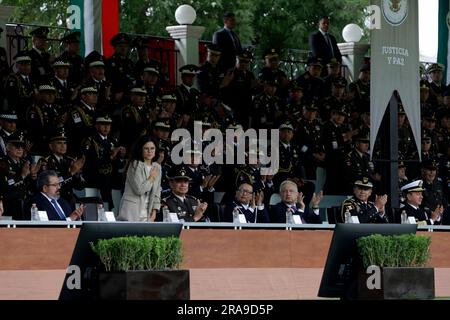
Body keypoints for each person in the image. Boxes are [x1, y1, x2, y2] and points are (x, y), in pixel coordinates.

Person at [118, 136, 161, 222]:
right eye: (146, 148)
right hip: (131, 210)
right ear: (140, 150)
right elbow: (139, 190)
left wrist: (155, 210)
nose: (149, 151)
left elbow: (157, 192)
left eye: (152, 148)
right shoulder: (135, 164)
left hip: (148, 212)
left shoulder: (157, 167)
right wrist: (151, 178)